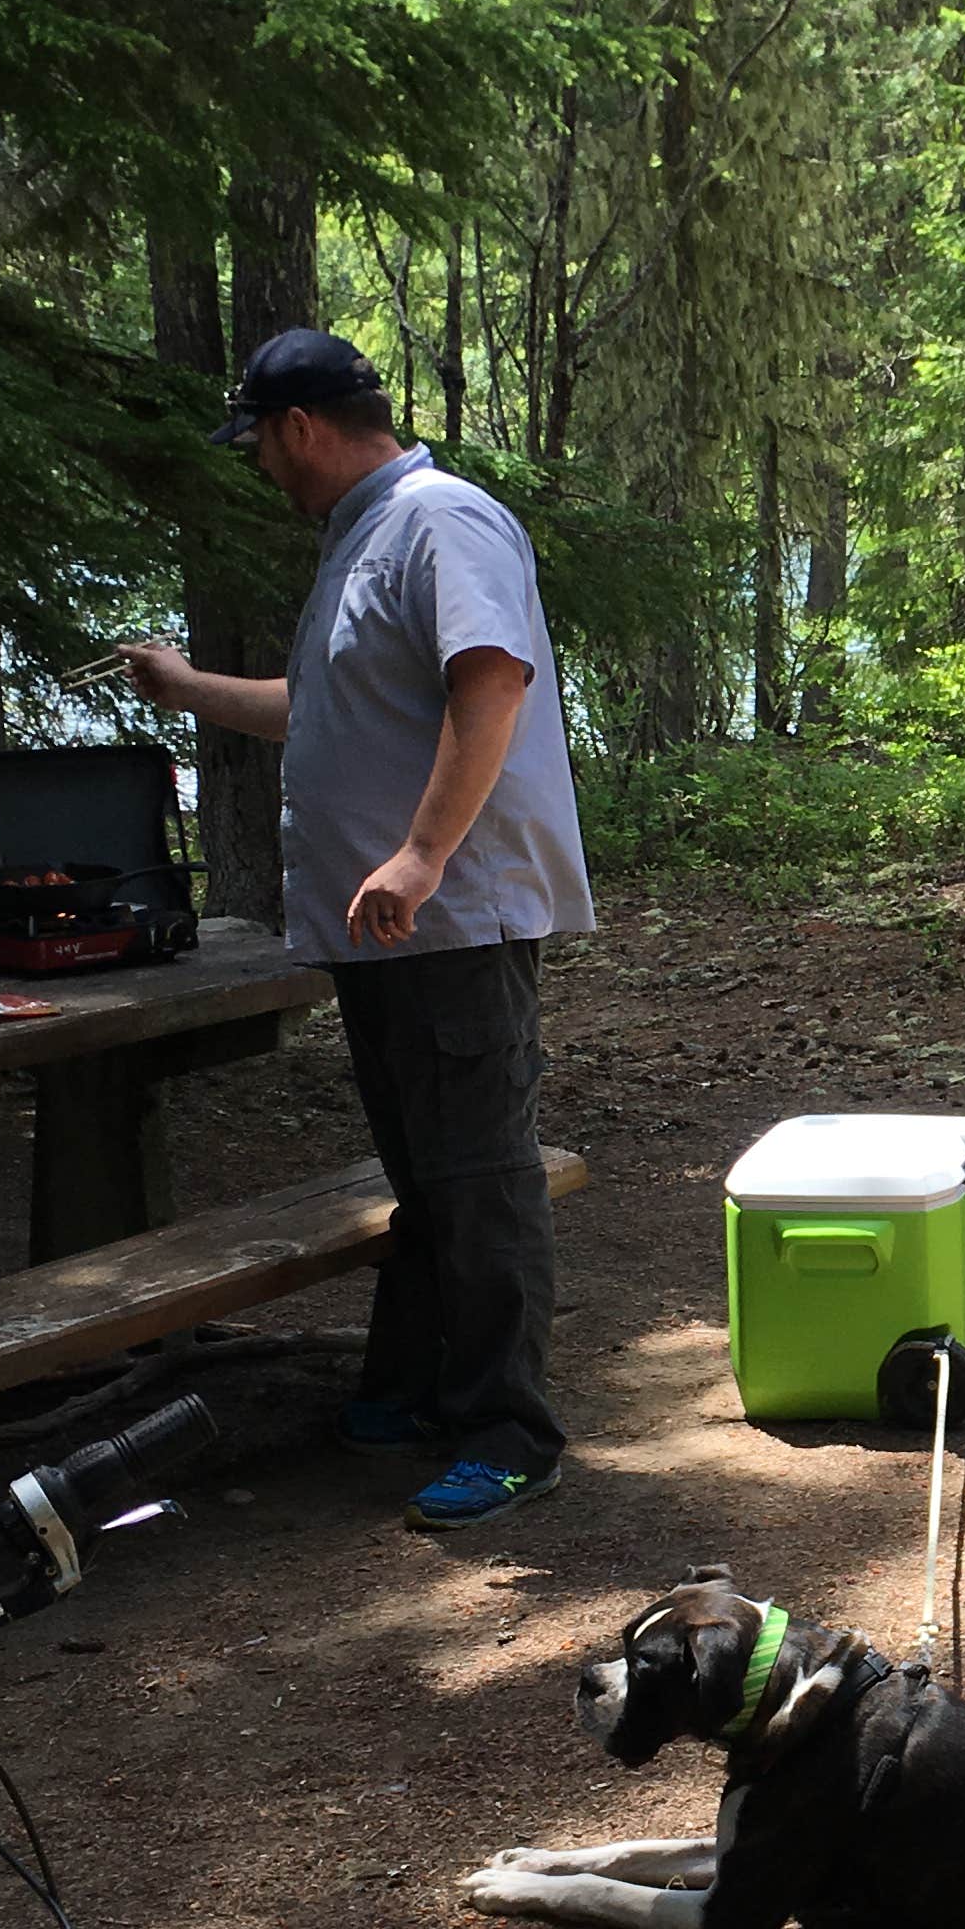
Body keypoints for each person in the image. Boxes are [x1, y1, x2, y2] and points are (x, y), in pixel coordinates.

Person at [120, 330, 592, 1528]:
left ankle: (508, 1430)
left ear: (298, 428)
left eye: (263, 450)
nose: (265, 475)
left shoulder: (442, 518)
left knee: (482, 1179)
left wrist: (425, 852)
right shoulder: (363, 542)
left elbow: (492, 678)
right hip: (387, 932)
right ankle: (430, 1388)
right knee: (426, 1176)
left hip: (452, 920)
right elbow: (318, 709)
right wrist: (185, 690)